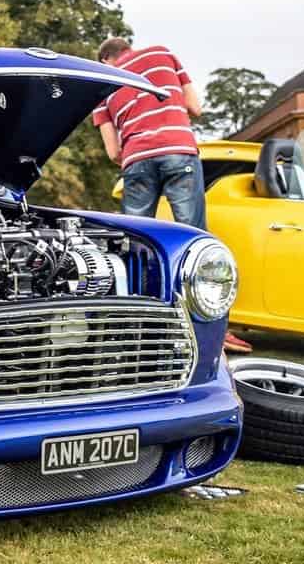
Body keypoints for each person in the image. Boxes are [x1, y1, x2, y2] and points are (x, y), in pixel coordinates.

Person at [93, 37, 252, 353]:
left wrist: (138, 142)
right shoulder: (161, 54)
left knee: (134, 244)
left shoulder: (105, 84)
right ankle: (209, 328)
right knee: (194, 239)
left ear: (105, 60)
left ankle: (136, 328)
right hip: (178, 150)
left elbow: (113, 151)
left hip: (136, 160)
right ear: (126, 48)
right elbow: (195, 107)